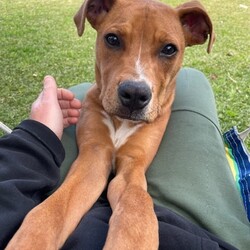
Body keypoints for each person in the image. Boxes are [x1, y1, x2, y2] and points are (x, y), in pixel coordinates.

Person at [0, 70, 249, 249]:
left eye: (168, 49)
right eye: (113, 39)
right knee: (192, 78)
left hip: (24, 205)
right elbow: (97, 164)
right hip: (196, 234)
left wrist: (37, 133)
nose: (137, 79)